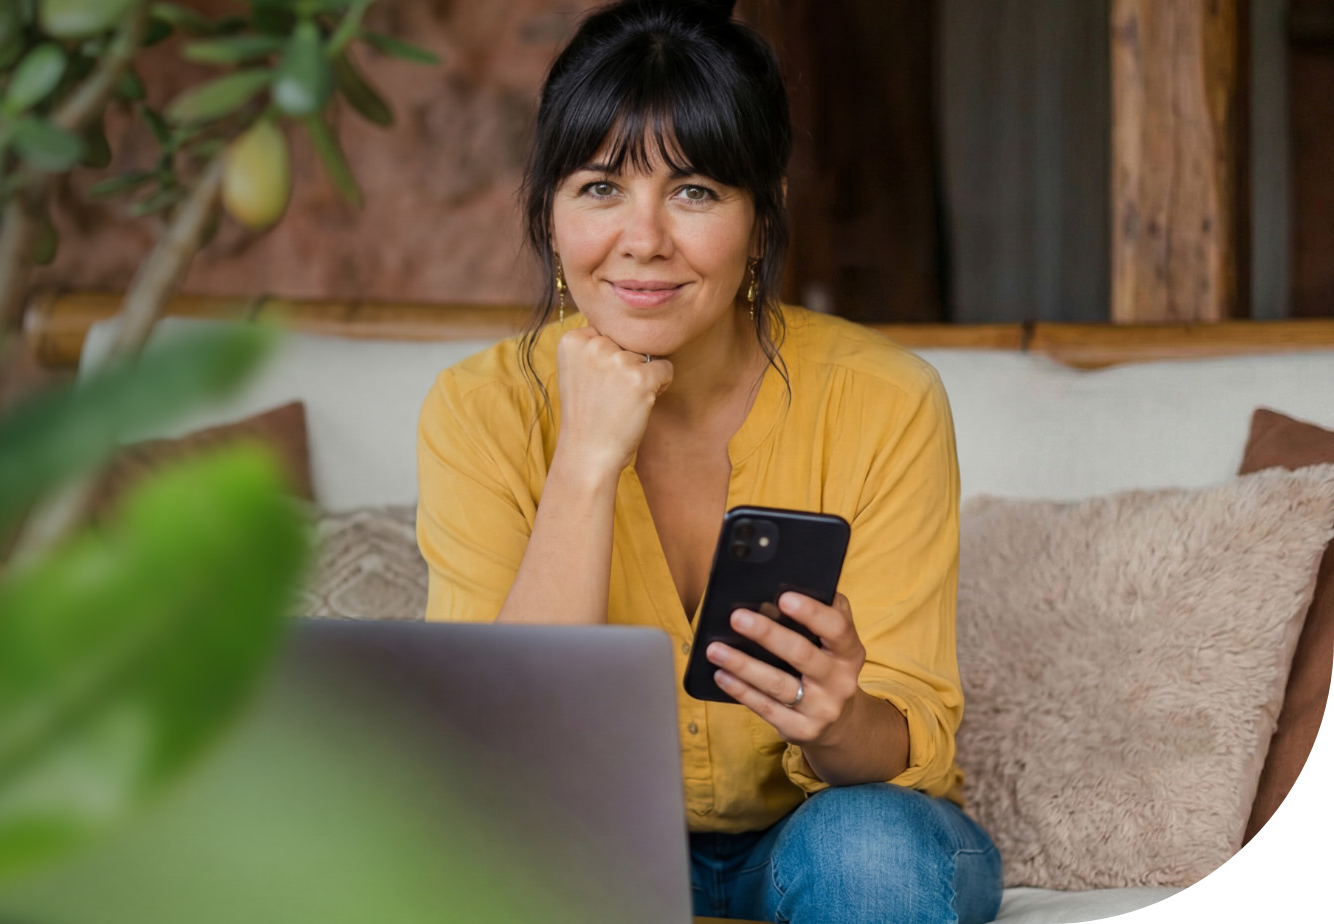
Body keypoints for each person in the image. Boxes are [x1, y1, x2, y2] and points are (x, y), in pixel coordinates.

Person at [413, 2, 1002, 922]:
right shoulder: (479, 409)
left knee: (872, 848)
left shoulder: (886, 401)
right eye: (600, 187)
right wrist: (586, 460)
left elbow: (899, 748)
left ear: (760, 226)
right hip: (587, 835)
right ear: (552, 221)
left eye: (694, 192)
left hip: (824, 830)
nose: (644, 239)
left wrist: (840, 717)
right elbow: (505, 755)